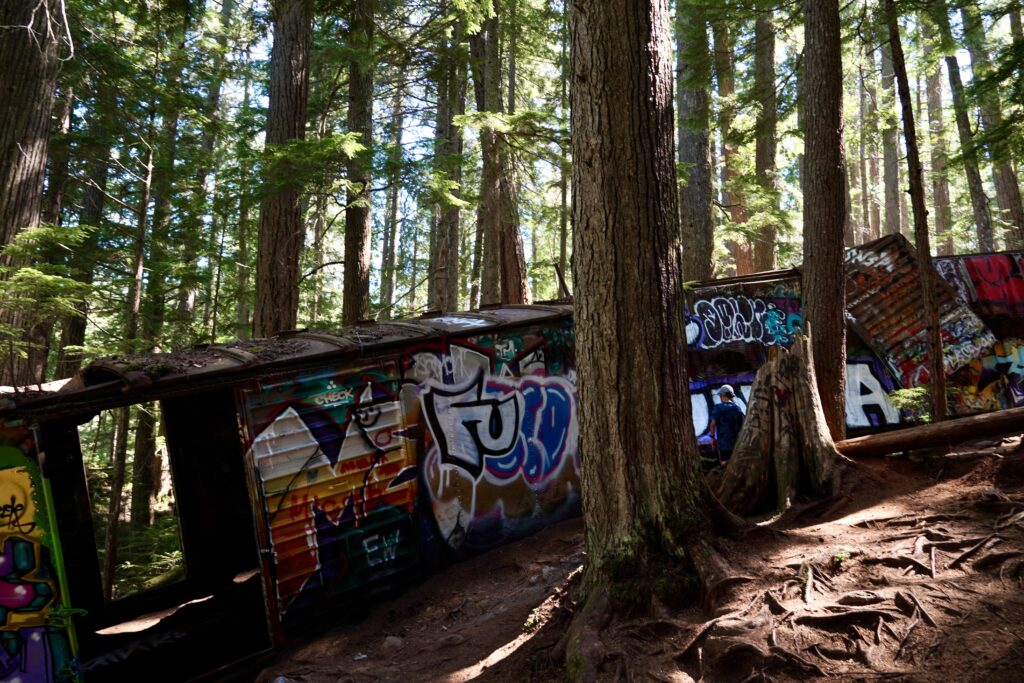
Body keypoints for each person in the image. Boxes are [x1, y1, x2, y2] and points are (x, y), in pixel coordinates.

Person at [709, 385, 744, 465]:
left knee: (724, 463)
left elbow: (713, 424)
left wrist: (712, 437)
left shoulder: (718, 408)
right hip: (736, 442)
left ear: (722, 395)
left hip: (723, 443)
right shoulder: (737, 409)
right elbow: (742, 425)